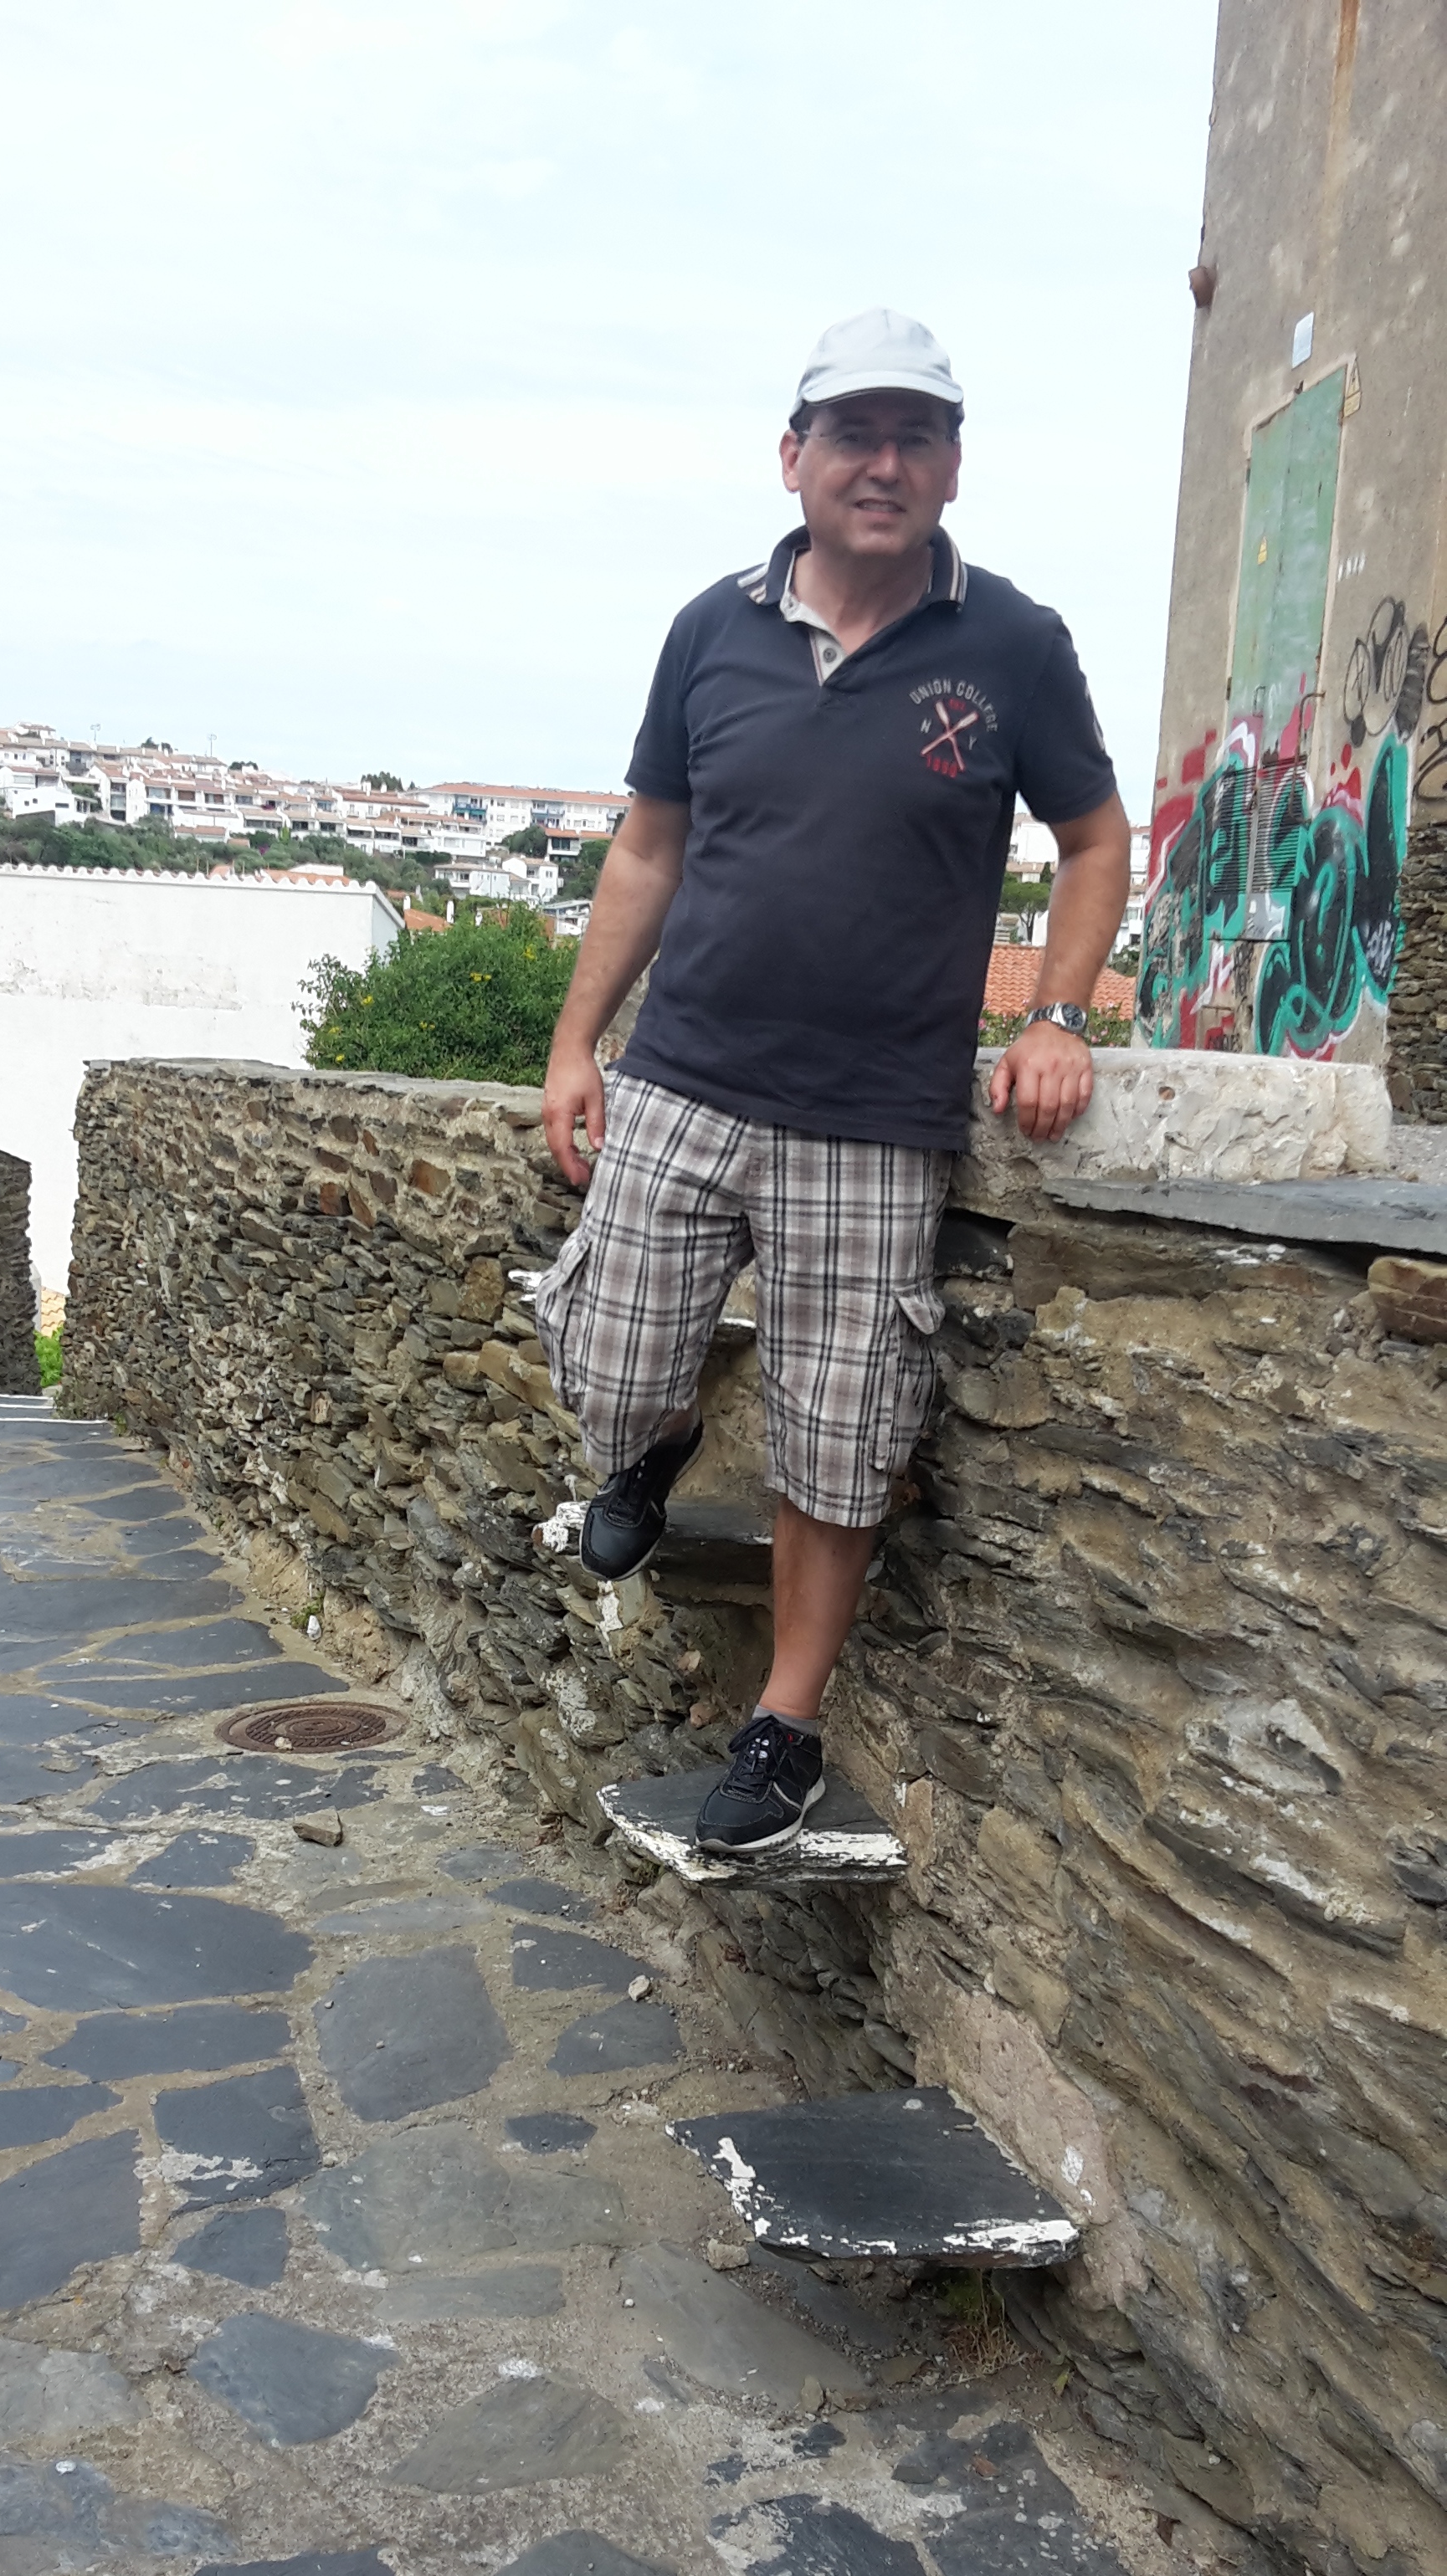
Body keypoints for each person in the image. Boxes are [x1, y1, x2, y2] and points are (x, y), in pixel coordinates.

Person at [536, 307, 1128, 1861]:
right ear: (792, 457)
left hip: (875, 1121)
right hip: (683, 1080)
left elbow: (1093, 840)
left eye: (914, 435)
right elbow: (648, 848)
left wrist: (1059, 1013)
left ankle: (783, 1729)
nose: (883, 463)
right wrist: (575, 1042)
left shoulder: (1013, 644)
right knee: (610, 1362)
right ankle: (656, 1442)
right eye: (853, 434)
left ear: (952, 465)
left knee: (843, 1437)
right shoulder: (709, 630)